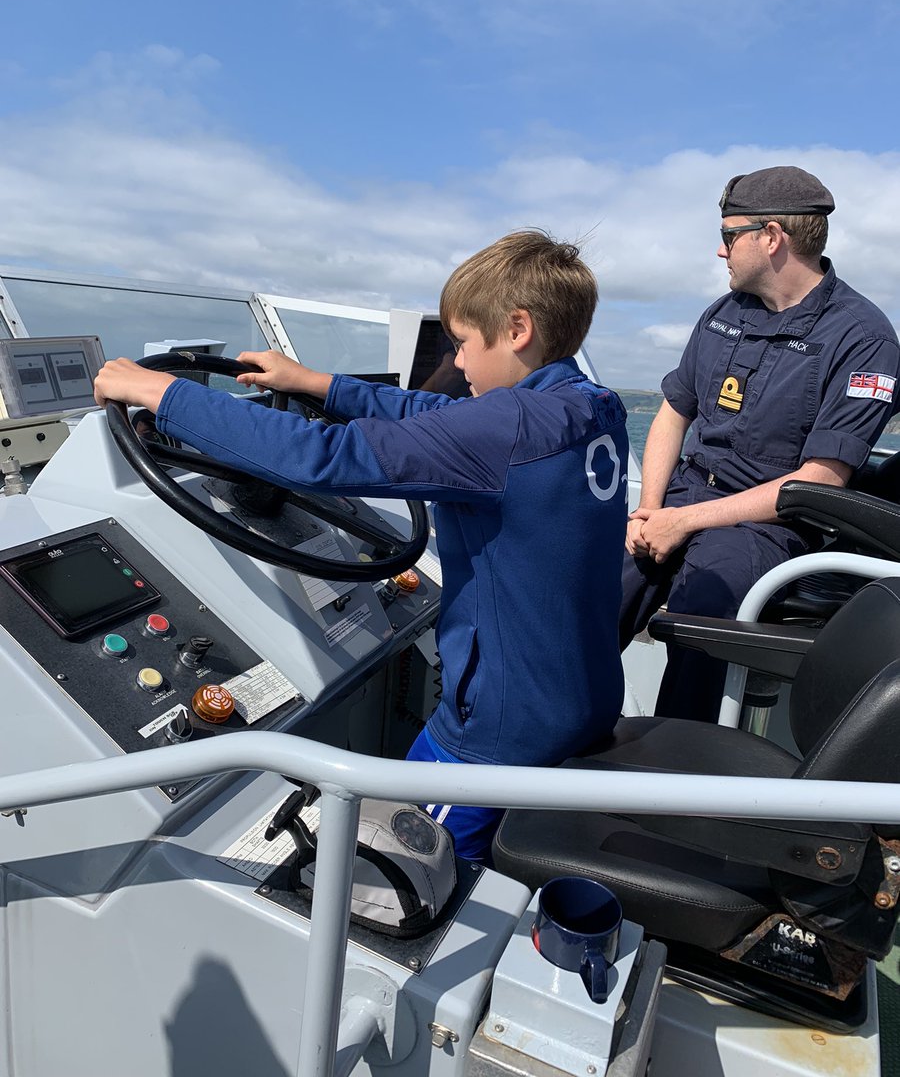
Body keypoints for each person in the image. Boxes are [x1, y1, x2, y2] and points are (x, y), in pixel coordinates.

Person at [94, 230, 629, 864]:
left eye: (462, 344)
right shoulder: (593, 407)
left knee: (410, 872)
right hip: (582, 694)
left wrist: (162, 394)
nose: (456, 363)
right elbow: (432, 412)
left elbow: (323, 459)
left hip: (497, 732)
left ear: (517, 328)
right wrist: (319, 384)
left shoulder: (504, 428)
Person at [619, 166, 900, 723]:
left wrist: (687, 522)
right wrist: (650, 508)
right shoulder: (724, 313)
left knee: (707, 609)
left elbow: (821, 479)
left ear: (771, 238)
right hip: (682, 494)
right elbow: (675, 409)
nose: (719, 252)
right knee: (589, 589)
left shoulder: (863, 338)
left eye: (728, 236)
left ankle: (677, 770)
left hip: (767, 522)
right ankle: (549, 740)